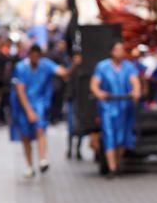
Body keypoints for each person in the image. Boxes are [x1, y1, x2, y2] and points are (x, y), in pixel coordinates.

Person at [10, 45, 78, 178]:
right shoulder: (21, 68)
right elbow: (20, 91)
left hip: (40, 103)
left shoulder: (46, 65)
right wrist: (28, 110)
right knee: (26, 136)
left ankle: (42, 159)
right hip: (23, 105)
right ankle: (29, 165)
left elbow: (64, 73)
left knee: (40, 129)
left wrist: (74, 65)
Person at [90, 41, 141, 178]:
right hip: (108, 106)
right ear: (111, 51)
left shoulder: (128, 67)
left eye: (121, 49)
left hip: (124, 106)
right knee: (109, 135)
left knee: (123, 136)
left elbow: (135, 82)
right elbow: (94, 85)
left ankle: (118, 163)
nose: (119, 52)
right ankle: (112, 167)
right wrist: (99, 93)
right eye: (117, 49)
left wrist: (135, 92)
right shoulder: (103, 66)